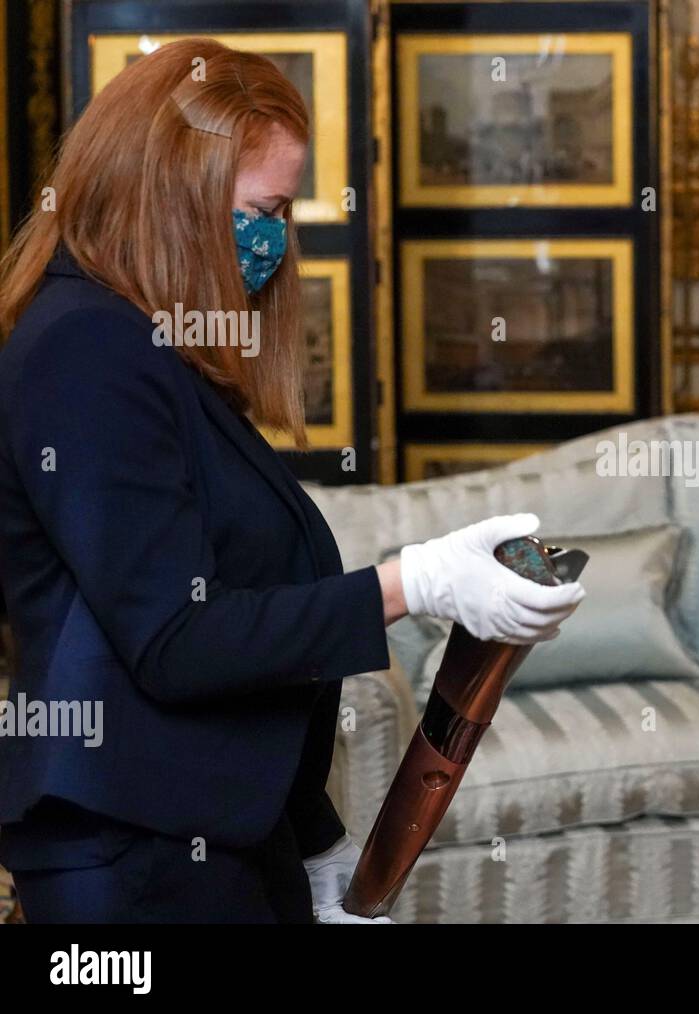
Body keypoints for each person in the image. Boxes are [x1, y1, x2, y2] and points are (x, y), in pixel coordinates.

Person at [0, 39, 584, 923]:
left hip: (220, 828)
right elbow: (175, 642)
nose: (273, 240)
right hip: (132, 852)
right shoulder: (89, 349)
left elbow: (241, 612)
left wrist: (313, 836)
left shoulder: (156, 344)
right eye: (257, 209)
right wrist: (411, 583)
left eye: (283, 212)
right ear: (168, 194)